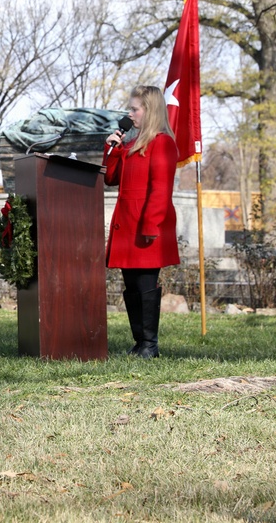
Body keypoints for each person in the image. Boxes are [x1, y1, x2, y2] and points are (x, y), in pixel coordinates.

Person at [104, 85, 180, 359]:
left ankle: (150, 344)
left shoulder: (162, 143)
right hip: (126, 225)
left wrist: (151, 226)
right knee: (132, 286)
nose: (130, 113)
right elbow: (110, 178)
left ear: (150, 111)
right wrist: (111, 148)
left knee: (146, 286)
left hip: (147, 226)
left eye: (135, 109)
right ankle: (140, 343)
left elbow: (161, 189)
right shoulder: (131, 145)